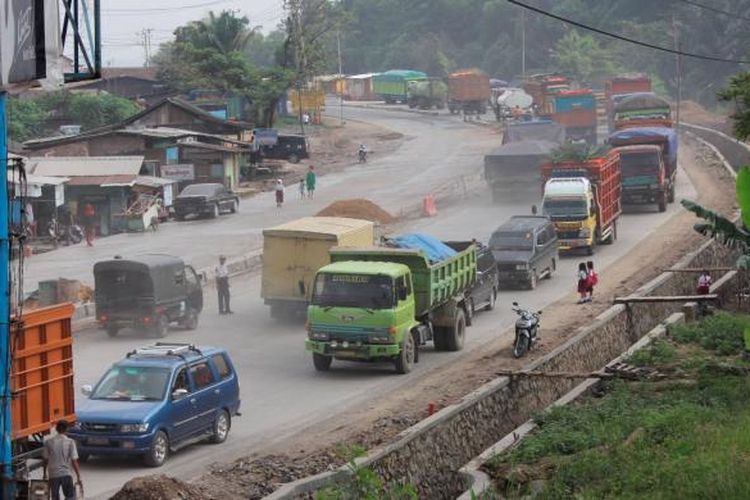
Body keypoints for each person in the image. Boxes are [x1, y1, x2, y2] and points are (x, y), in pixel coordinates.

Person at [43, 420, 82, 500]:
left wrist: (44, 474)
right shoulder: (70, 442)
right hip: (66, 474)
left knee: (55, 497)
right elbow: (74, 461)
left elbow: (45, 459)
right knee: (70, 496)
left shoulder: (48, 442)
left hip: (53, 474)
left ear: (56, 429)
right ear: (67, 429)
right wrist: (78, 476)